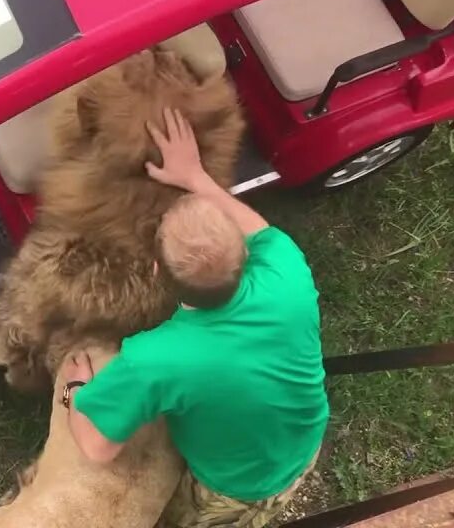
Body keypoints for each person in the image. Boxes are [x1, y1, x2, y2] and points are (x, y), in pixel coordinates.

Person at [62, 108, 329, 528]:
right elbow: (257, 227)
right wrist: (195, 177)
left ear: (155, 272)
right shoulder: (287, 270)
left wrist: (76, 388)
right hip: (302, 441)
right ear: (245, 254)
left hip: (236, 488)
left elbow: (96, 446)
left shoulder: (155, 358)